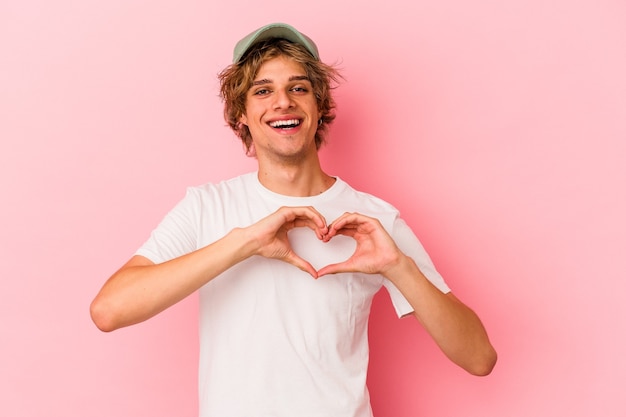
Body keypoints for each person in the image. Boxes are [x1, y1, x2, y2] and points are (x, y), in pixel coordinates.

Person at [90, 22, 497, 417]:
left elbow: (479, 357)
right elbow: (109, 310)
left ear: (319, 107)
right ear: (241, 115)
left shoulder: (374, 219)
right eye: (263, 90)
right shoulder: (205, 207)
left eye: (298, 88)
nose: (282, 102)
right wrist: (243, 243)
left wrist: (398, 266)